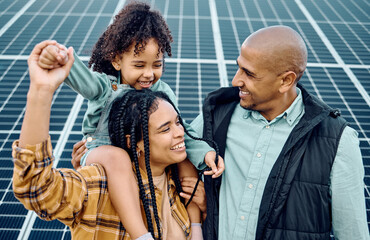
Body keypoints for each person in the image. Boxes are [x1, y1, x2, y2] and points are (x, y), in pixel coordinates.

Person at [37, 2, 224, 239]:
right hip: (102, 152)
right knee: (118, 158)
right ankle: (140, 234)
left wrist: (205, 153)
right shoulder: (106, 87)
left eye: (157, 65)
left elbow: (182, 129)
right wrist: (63, 61)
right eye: (139, 65)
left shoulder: (161, 91)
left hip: (143, 157)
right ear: (117, 61)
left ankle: (195, 227)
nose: (149, 74)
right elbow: (85, 81)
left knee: (184, 155)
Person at [190, 25, 370, 240]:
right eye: (239, 67)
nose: (236, 80)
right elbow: (170, 148)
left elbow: (353, 234)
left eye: (249, 73)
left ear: (286, 81)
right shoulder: (218, 114)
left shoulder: (337, 141)